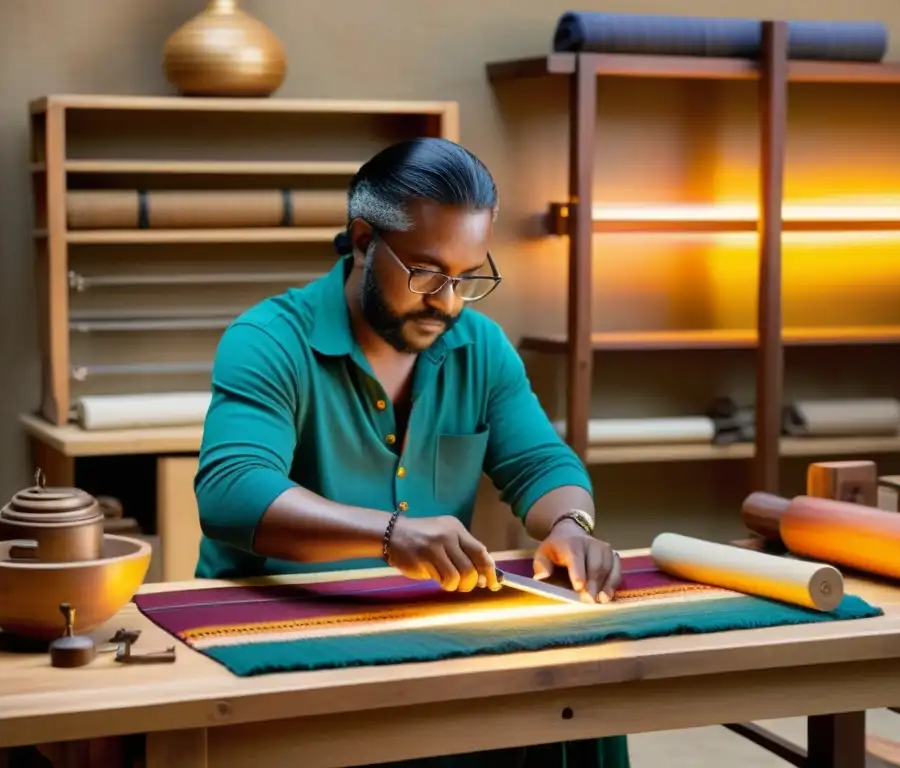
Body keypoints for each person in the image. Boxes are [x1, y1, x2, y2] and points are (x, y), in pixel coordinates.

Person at [194, 137, 630, 767]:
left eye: (467, 277)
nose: (448, 302)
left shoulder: (481, 347)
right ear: (365, 241)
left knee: (581, 699)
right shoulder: (267, 340)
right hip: (273, 641)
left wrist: (572, 525)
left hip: (423, 632)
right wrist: (391, 535)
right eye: (426, 273)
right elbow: (231, 494)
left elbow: (542, 464)